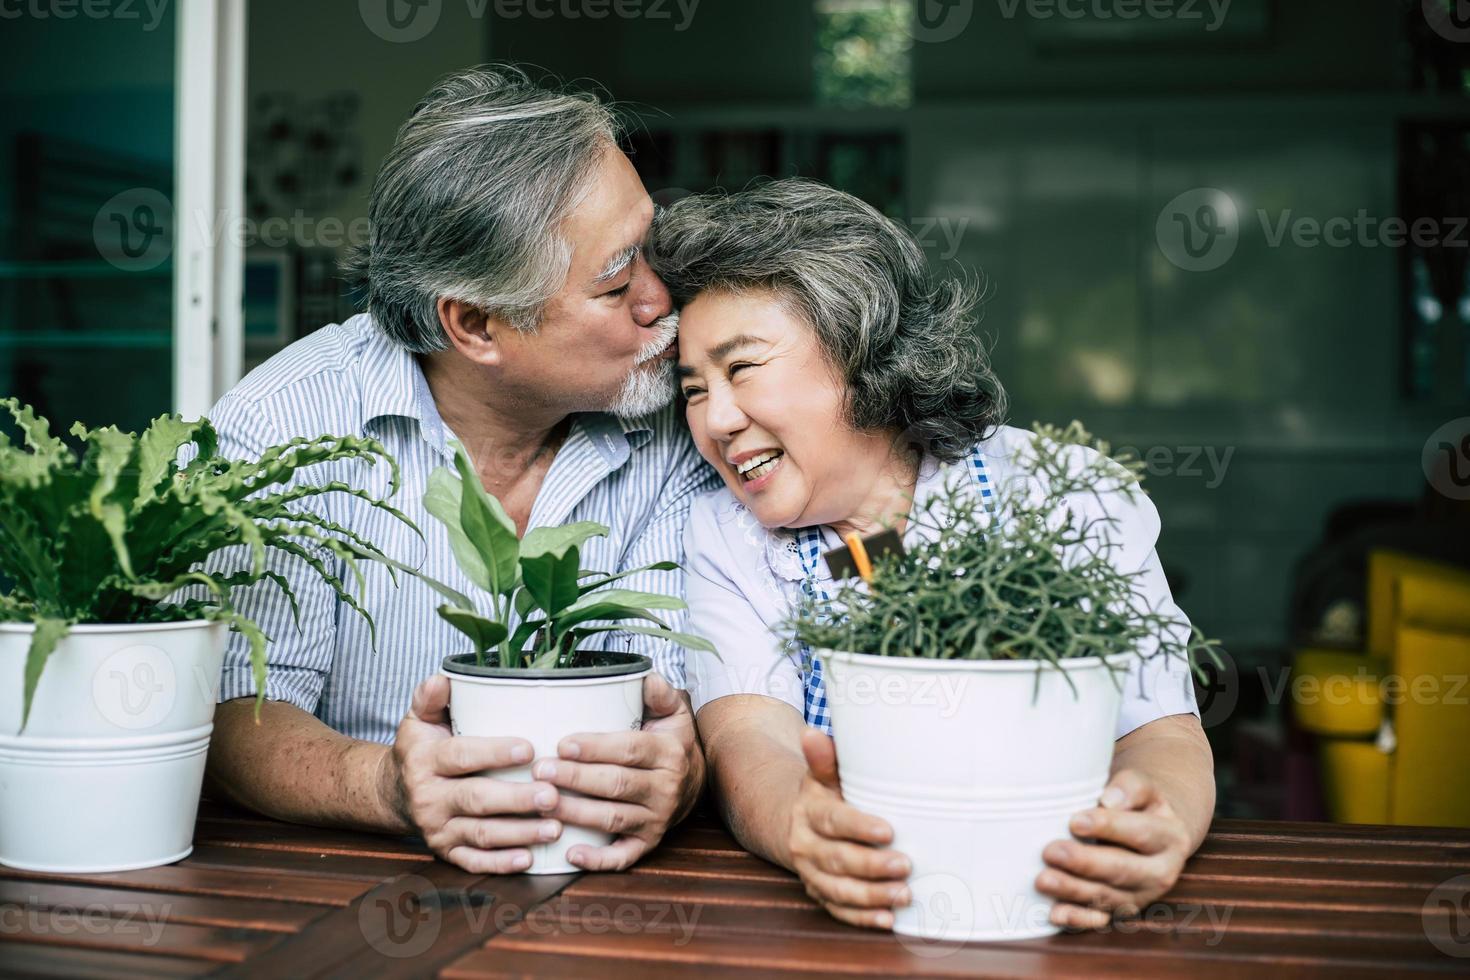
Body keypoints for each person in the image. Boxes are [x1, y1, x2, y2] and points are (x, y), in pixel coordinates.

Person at [651, 178, 1216, 931]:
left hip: (1045, 897)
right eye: (693, 389)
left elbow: (1161, 728)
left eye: (743, 368)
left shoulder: (1067, 493)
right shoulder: (727, 536)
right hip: (861, 913)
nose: (716, 419)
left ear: (862, 352)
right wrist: (801, 826)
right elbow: (746, 735)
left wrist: (1158, 822)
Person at [202, 65, 719, 875]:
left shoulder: (685, 420)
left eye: (648, 250)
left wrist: (678, 769)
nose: (661, 299)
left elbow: (680, 693)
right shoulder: (283, 426)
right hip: (350, 902)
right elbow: (236, 710)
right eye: (617, 284)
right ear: (476, 324)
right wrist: (386, 785)